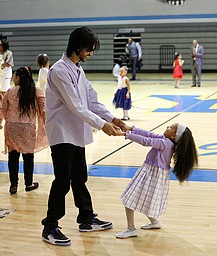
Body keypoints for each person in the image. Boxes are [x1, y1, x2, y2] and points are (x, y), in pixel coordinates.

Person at [41, 26, 125, 246]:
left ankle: (86, 218)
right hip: (62, 133)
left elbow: (91, 100)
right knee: (62, 181)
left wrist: (113, 119)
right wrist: (103, 125)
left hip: (76, 133)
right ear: (78, 47)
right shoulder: (59, 71)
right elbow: (76, 106)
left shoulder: (77, 69)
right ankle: (50, 226)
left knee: (79, 177)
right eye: (89, 49)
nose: (91, 53)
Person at [115, 123, 198, 239]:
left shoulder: (165, 144)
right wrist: (131, 129)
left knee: (130, 199)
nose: (168, 127)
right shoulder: (166, 140)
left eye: (171, 128)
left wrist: (125, 134)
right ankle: (154, 222)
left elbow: (146, 141)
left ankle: (131, 229)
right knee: (145, 199)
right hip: (152, 173)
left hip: (151, 174)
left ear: (174, 136)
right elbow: (148, 134)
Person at [0, 66, 47, 195]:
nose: (13, 79)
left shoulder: (10, 91)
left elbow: (3, 108)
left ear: (19, 78)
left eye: (15, 76)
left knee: (13, 156)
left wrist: (1, 121)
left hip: (11, 127)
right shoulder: (36, 91)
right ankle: (28, 183)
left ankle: (13, 185)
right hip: (28, 128)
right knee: (28, 156)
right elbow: (44, 109)